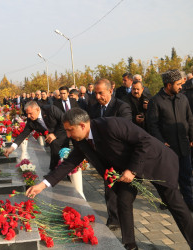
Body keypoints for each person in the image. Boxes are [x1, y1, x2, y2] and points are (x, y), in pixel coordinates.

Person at [26, 108, 193, 250]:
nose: (68, 134)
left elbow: (145, 142)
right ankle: (130, 245)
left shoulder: (112, 125)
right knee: (124, 200)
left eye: (70, 130)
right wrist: (43, 185)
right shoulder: (80, 140)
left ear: (82, 125)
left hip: (155, 162)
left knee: (174, 205)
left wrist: (132, 170)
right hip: (128, 168)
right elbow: (69, 163)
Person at [88, 78, 132, 231]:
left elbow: (126, 131)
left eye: (101, 93)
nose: (98, 97)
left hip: (122, 155)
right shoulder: (93, 108)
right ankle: (113, 219)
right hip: (105, 155)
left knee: (125, 191)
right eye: (96, 93)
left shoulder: (122, 107)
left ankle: (125, 218)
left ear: (111, 91)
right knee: (109, 188)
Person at [147, 69, 193, 211]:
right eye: (178, 84)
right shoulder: (156, 101)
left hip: (184, 146)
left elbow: (190, 120)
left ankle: (190, 203)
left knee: (187, 178)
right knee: (169, 179)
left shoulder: (183, 99)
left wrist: (192, 138)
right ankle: (168, 202)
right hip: (167, 149)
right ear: (168, 85)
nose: (181, 86)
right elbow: (152, 125)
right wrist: (161, 143)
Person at [4, 101, 66, 172]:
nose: (28, 116)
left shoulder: (51, 109)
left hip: (63, 132)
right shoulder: (31, 120)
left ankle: (55, 172)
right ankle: (55, 171)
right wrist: (12, 148)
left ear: (37, 109)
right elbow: (24, 134)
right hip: (51, 139)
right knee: (54, 146)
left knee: (56, 147)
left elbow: (64, 120)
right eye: (27, 114)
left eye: (30, 113)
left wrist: (55, 134)